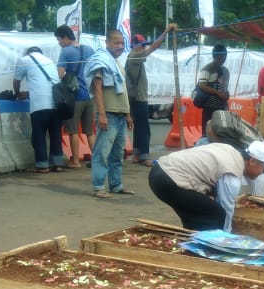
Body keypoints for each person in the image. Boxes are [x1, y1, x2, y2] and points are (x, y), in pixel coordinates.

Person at [149, 141, 264, 231]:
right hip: (169, 179)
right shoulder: (232, 173)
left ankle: (193, 243)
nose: (263, 172)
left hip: (160, 171)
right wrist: (227, 238)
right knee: (216, 214)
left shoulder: (231, 151)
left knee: (197, 214)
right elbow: (226, 209)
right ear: (252, 161)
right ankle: (209, 251)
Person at [84, 31, 134, 199]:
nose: (120, 46)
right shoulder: (100, 61)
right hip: (108, 115)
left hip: (120, 115)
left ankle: (116, 185)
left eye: (122, 43)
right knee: (102, 153)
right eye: (116, 43)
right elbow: (97, 89)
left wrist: (127, 114)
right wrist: (102, 114)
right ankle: (98, 187)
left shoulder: (116, 63)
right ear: (107, 43)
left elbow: (123, 92)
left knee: (118, 154)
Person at [125, 25, 176, 166]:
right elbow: (153, 48)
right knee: (144, 129)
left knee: (139, 128)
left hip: (135, 98)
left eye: (143, 45)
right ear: (135, 46)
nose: (143, 48)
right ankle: (144, 156)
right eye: (141, 45)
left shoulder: (133, 58)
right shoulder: (134, 57)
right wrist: (165, 31)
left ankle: (137, 154)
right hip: (139, 98)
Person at [13, 47, 66, 174]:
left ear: (28, 53)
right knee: (55, 135)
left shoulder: (24, 60)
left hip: (39, 105)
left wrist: (17, 93)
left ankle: (43, 165)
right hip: (56, 103)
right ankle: (57, 164)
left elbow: (16, 81)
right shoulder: (49, 60)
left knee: (39, 135)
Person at [54, 25, 94, 169]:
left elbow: (60, 73)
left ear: (65, 37)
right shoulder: (88, 49)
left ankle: (76, 161)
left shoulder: (66, 51)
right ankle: (97, 160)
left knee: (73, 130)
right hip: (90, 96)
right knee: (89, 131)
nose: (59, 43)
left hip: (75, 97)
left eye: (59, 40)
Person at [196, 44, 230, 136]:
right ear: (214, 56)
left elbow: (225, 88)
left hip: (221, 107)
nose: (223, 58)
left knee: (220, 133)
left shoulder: (226, 71)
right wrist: (218, 93)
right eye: (220, 56)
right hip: (209, 107)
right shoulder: (207, 69)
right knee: (207, 133)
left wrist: (226, 94)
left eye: (224, 56)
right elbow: (202, 85)